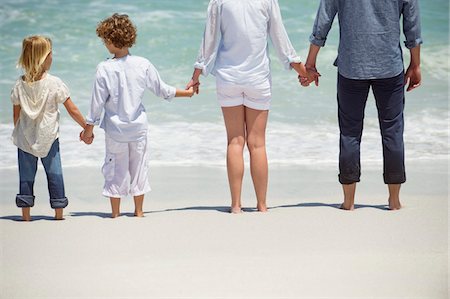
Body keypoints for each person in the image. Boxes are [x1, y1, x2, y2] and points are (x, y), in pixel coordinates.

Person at [187, 0, 318, 214]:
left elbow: (208, 41)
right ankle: (262, 205)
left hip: (228, 78)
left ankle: (236, 206)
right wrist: (303, 72)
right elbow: (280, 40)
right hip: (258, 80)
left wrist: (196, 76)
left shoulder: (218, 1)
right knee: (257, 144)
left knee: (234, 141)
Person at [301, 0, 423, 210]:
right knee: (392, 131)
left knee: (349, 132)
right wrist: (416, 63)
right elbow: (412, 23)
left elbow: (324, 19)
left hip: (351, 66)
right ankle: (394, 201)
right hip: (389, 66)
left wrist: (310, 62)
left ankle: (349, 202)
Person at [81, 14, 195, 218]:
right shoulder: (143, 64)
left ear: (110, 40)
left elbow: (96, 103)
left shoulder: (104, 68)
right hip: (138, 129)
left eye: (105, 40)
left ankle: (115, 214)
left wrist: (88, 129)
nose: (104, 44)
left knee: (115, 169)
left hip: (115, 131)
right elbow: (162, 89)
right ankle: (139, 212)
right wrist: (186, 93)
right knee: (139, 169)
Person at [11, 35, 88, 221]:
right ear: (44, 58)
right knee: (55, 174)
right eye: (50, 54)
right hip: (49, 137)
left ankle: (26, 215)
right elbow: (73, 109)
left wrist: (21, 132)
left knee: (26, 178)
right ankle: (59, 214)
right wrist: (87, 128)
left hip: (25, 139)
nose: (52, 57)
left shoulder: (19, 85)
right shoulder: (54, 83)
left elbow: (16, 116)